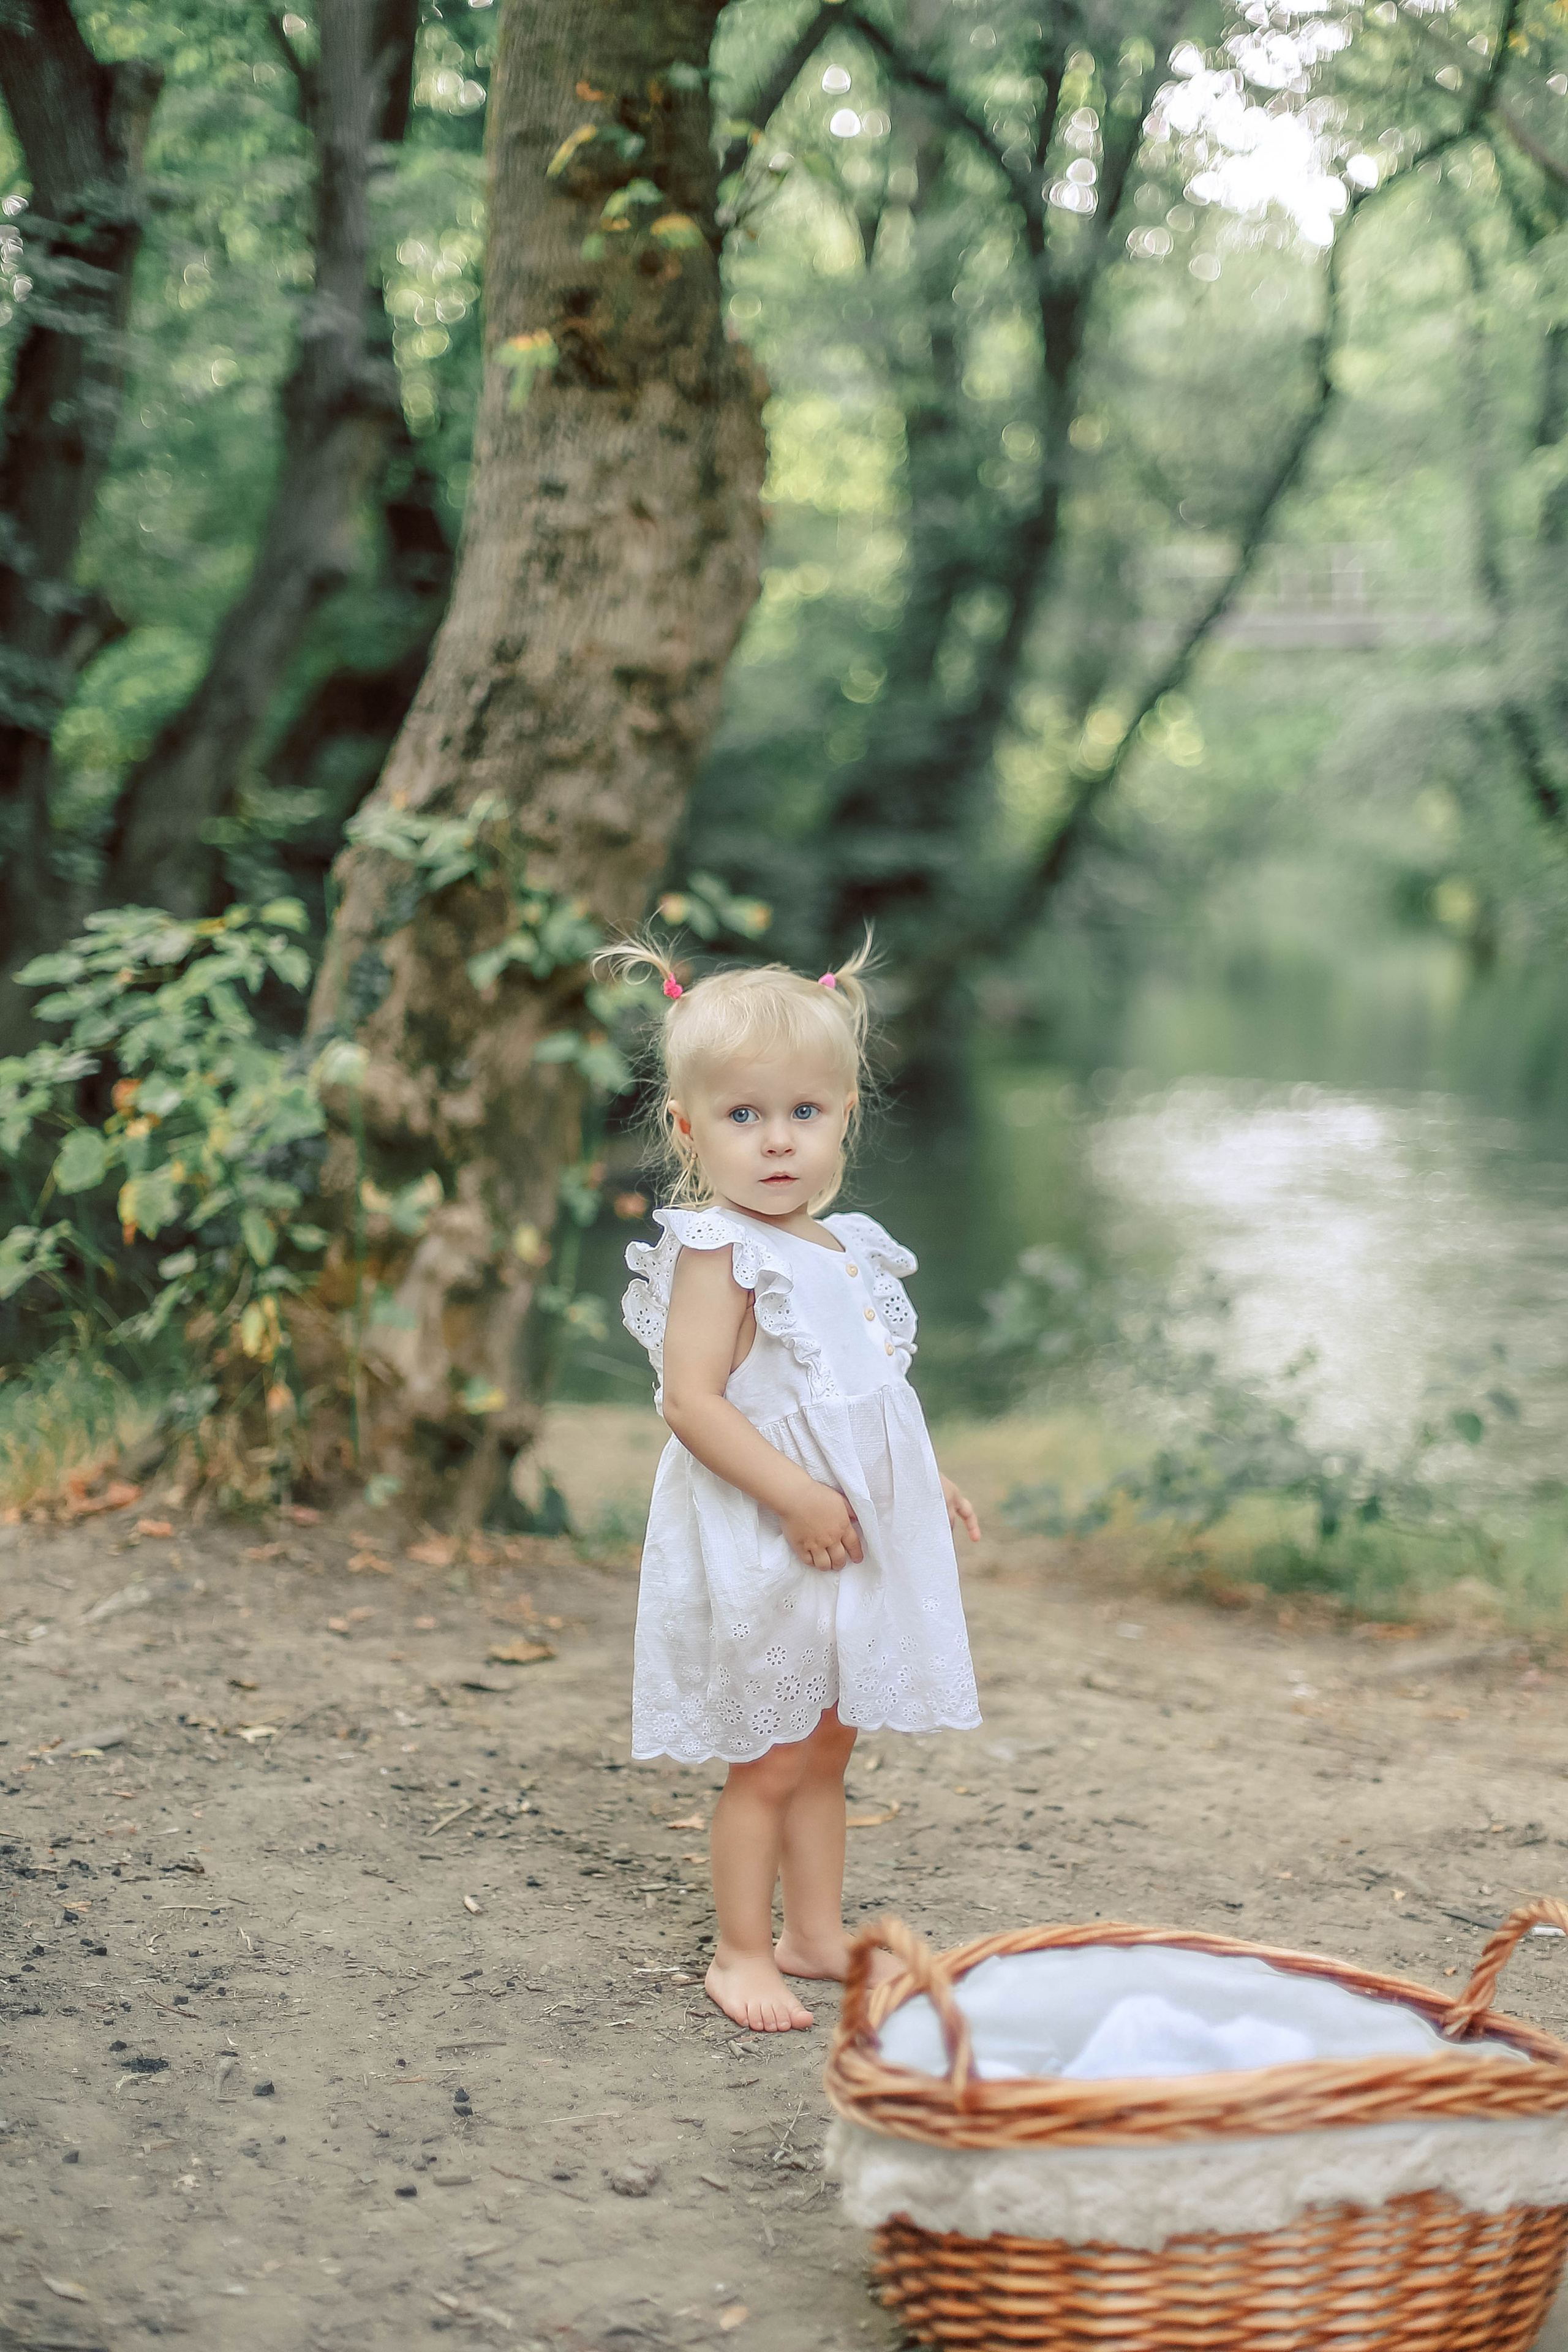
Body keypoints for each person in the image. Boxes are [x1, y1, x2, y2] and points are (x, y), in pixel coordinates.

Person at [598, 934, 982, 2033]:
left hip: (850, 1534)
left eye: (804, 1114)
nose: (777, 1143)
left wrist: (926, 1479)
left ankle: (816, 1934)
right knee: (767, 1757)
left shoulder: (843, 1245)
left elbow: (865, 1399)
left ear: (846, 1113)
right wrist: (799, 1500)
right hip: (772, 1535)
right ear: (687, 1126)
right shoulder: (719, 1249)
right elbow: (693, 1401)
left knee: (829, 1745)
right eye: (744, 1117)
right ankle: (740, 1949)